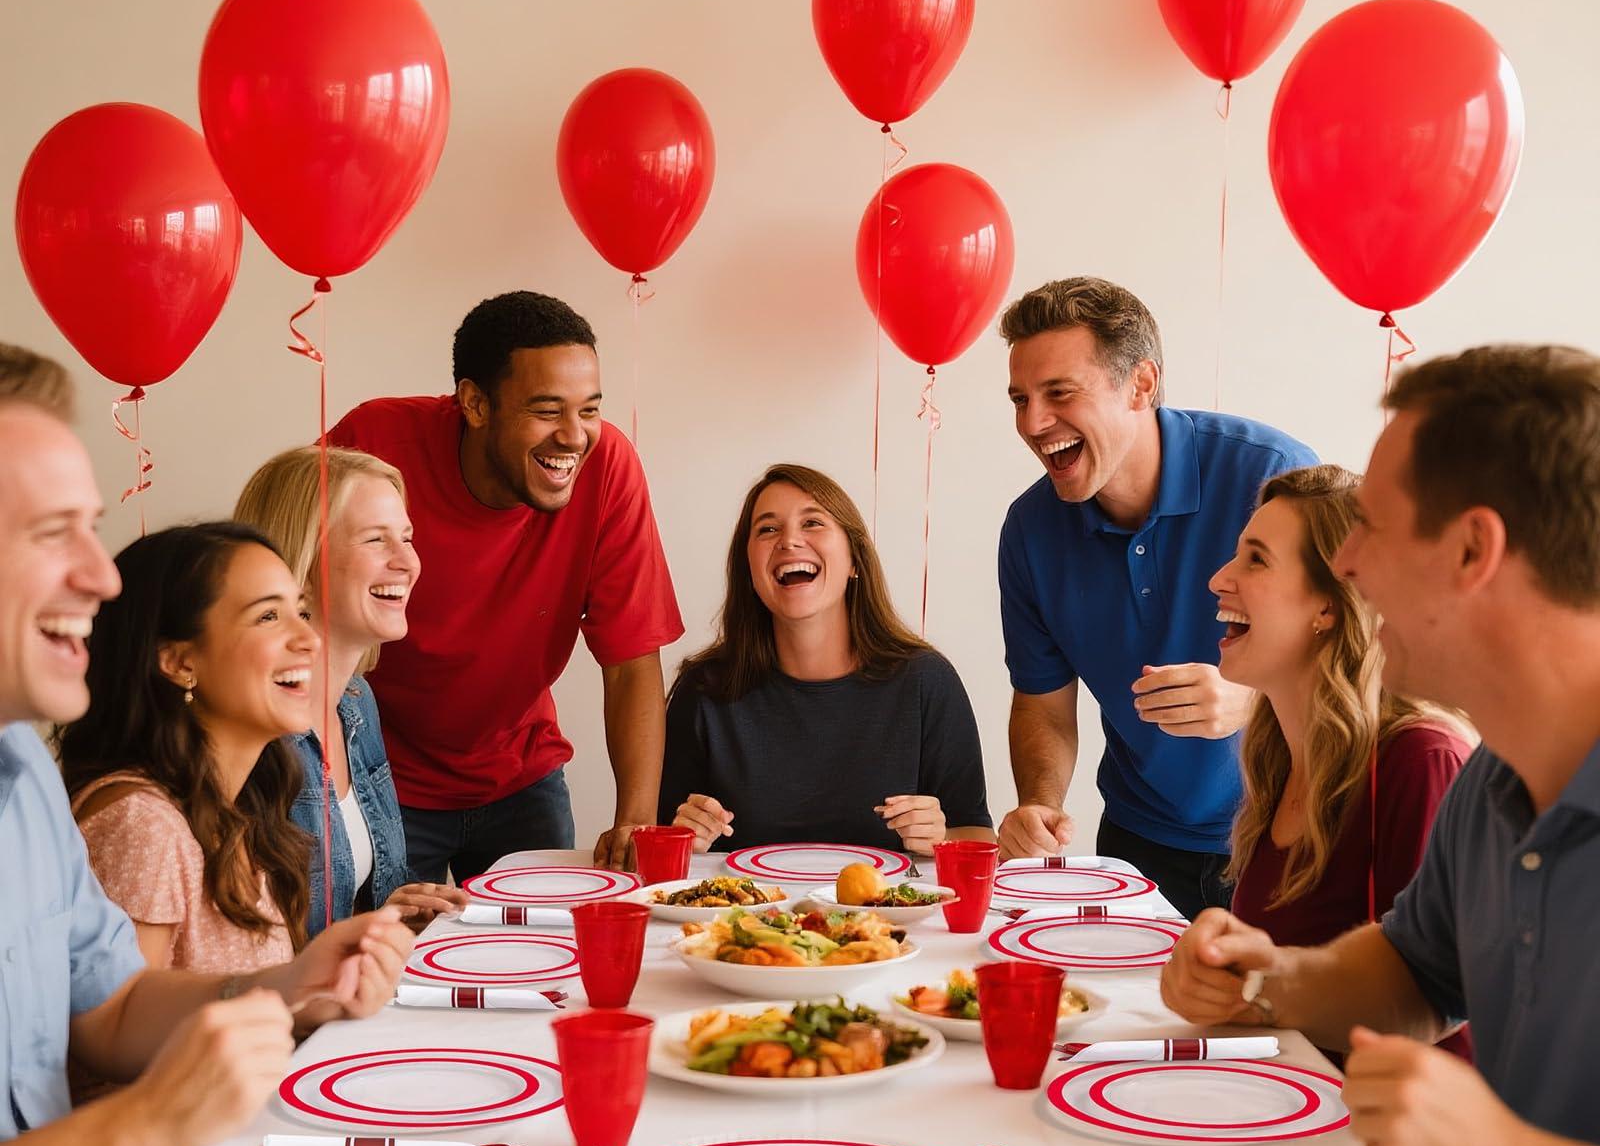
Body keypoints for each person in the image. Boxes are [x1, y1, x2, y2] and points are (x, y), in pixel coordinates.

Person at [1159, 345, 1600, 1146]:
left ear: (1472, 550)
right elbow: (1410, 973)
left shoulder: (1437, 757)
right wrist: (1270, 978)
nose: (1349, 561)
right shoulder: (1495, 774)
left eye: (1376, 527)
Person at [0, 346, 411, 1146]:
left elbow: (113, 1004)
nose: (99, 571)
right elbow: (122, 1083)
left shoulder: (25, 761)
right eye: (49, 532)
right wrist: (144, 1122)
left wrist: (288, 982)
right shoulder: (127, 808)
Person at [327, 291, 683, 878]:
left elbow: (632, 662)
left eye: (589, 409)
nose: (574, 436)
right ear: (474, 404)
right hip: (381, 778)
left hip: (522, 774)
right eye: (547, 410)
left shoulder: (608, 465)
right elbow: (289, 591)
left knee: (547, 961)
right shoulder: (375, 443)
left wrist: (636, 823)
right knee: (390, 965)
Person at [996, 276, 1318, 917]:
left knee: (1281, 1021)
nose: (1032, 423)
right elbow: (1043, 704)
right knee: (1132, 1017)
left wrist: (1255, 698)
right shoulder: (1030, 529)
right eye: (1020, 398)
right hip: (1137, 843)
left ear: (1141, 385)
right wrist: (1042, 803)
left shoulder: (1272, 475)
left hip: (1287, 840)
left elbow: (1369, 652)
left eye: (1059, 392)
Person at [1209, 463, 1473, 1058]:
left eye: (1256, 559)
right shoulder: (1277, 752)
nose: (1219, 579)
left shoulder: (1423, 762)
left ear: (1329, 605)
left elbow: (1429, 1003)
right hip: (1287, 1099)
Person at [660, 464, 991, 854]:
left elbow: (979, 838)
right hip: (741, 915)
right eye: (767, 529)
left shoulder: (926, 681)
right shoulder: (703, 691)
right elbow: (659, 839)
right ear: (748, 570)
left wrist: (942, 839)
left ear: (854, 561)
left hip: (884, 915)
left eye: (813, 523)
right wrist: (682, 838)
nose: (789, 541)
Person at [58, 523, 316, 973]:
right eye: (268, 616)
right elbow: (125, 1036)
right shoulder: (142, 825)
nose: (309, 639)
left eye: (301, 612)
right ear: (178, 662)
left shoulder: (240, 804)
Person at [234, 446, 467, 934]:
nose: (409, 562)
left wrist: (387, 915)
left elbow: (343, 915)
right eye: (375, 540)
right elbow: (241, 949)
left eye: (406, 538)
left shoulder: (356, 702)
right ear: (300, 556)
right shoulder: (248, 735)